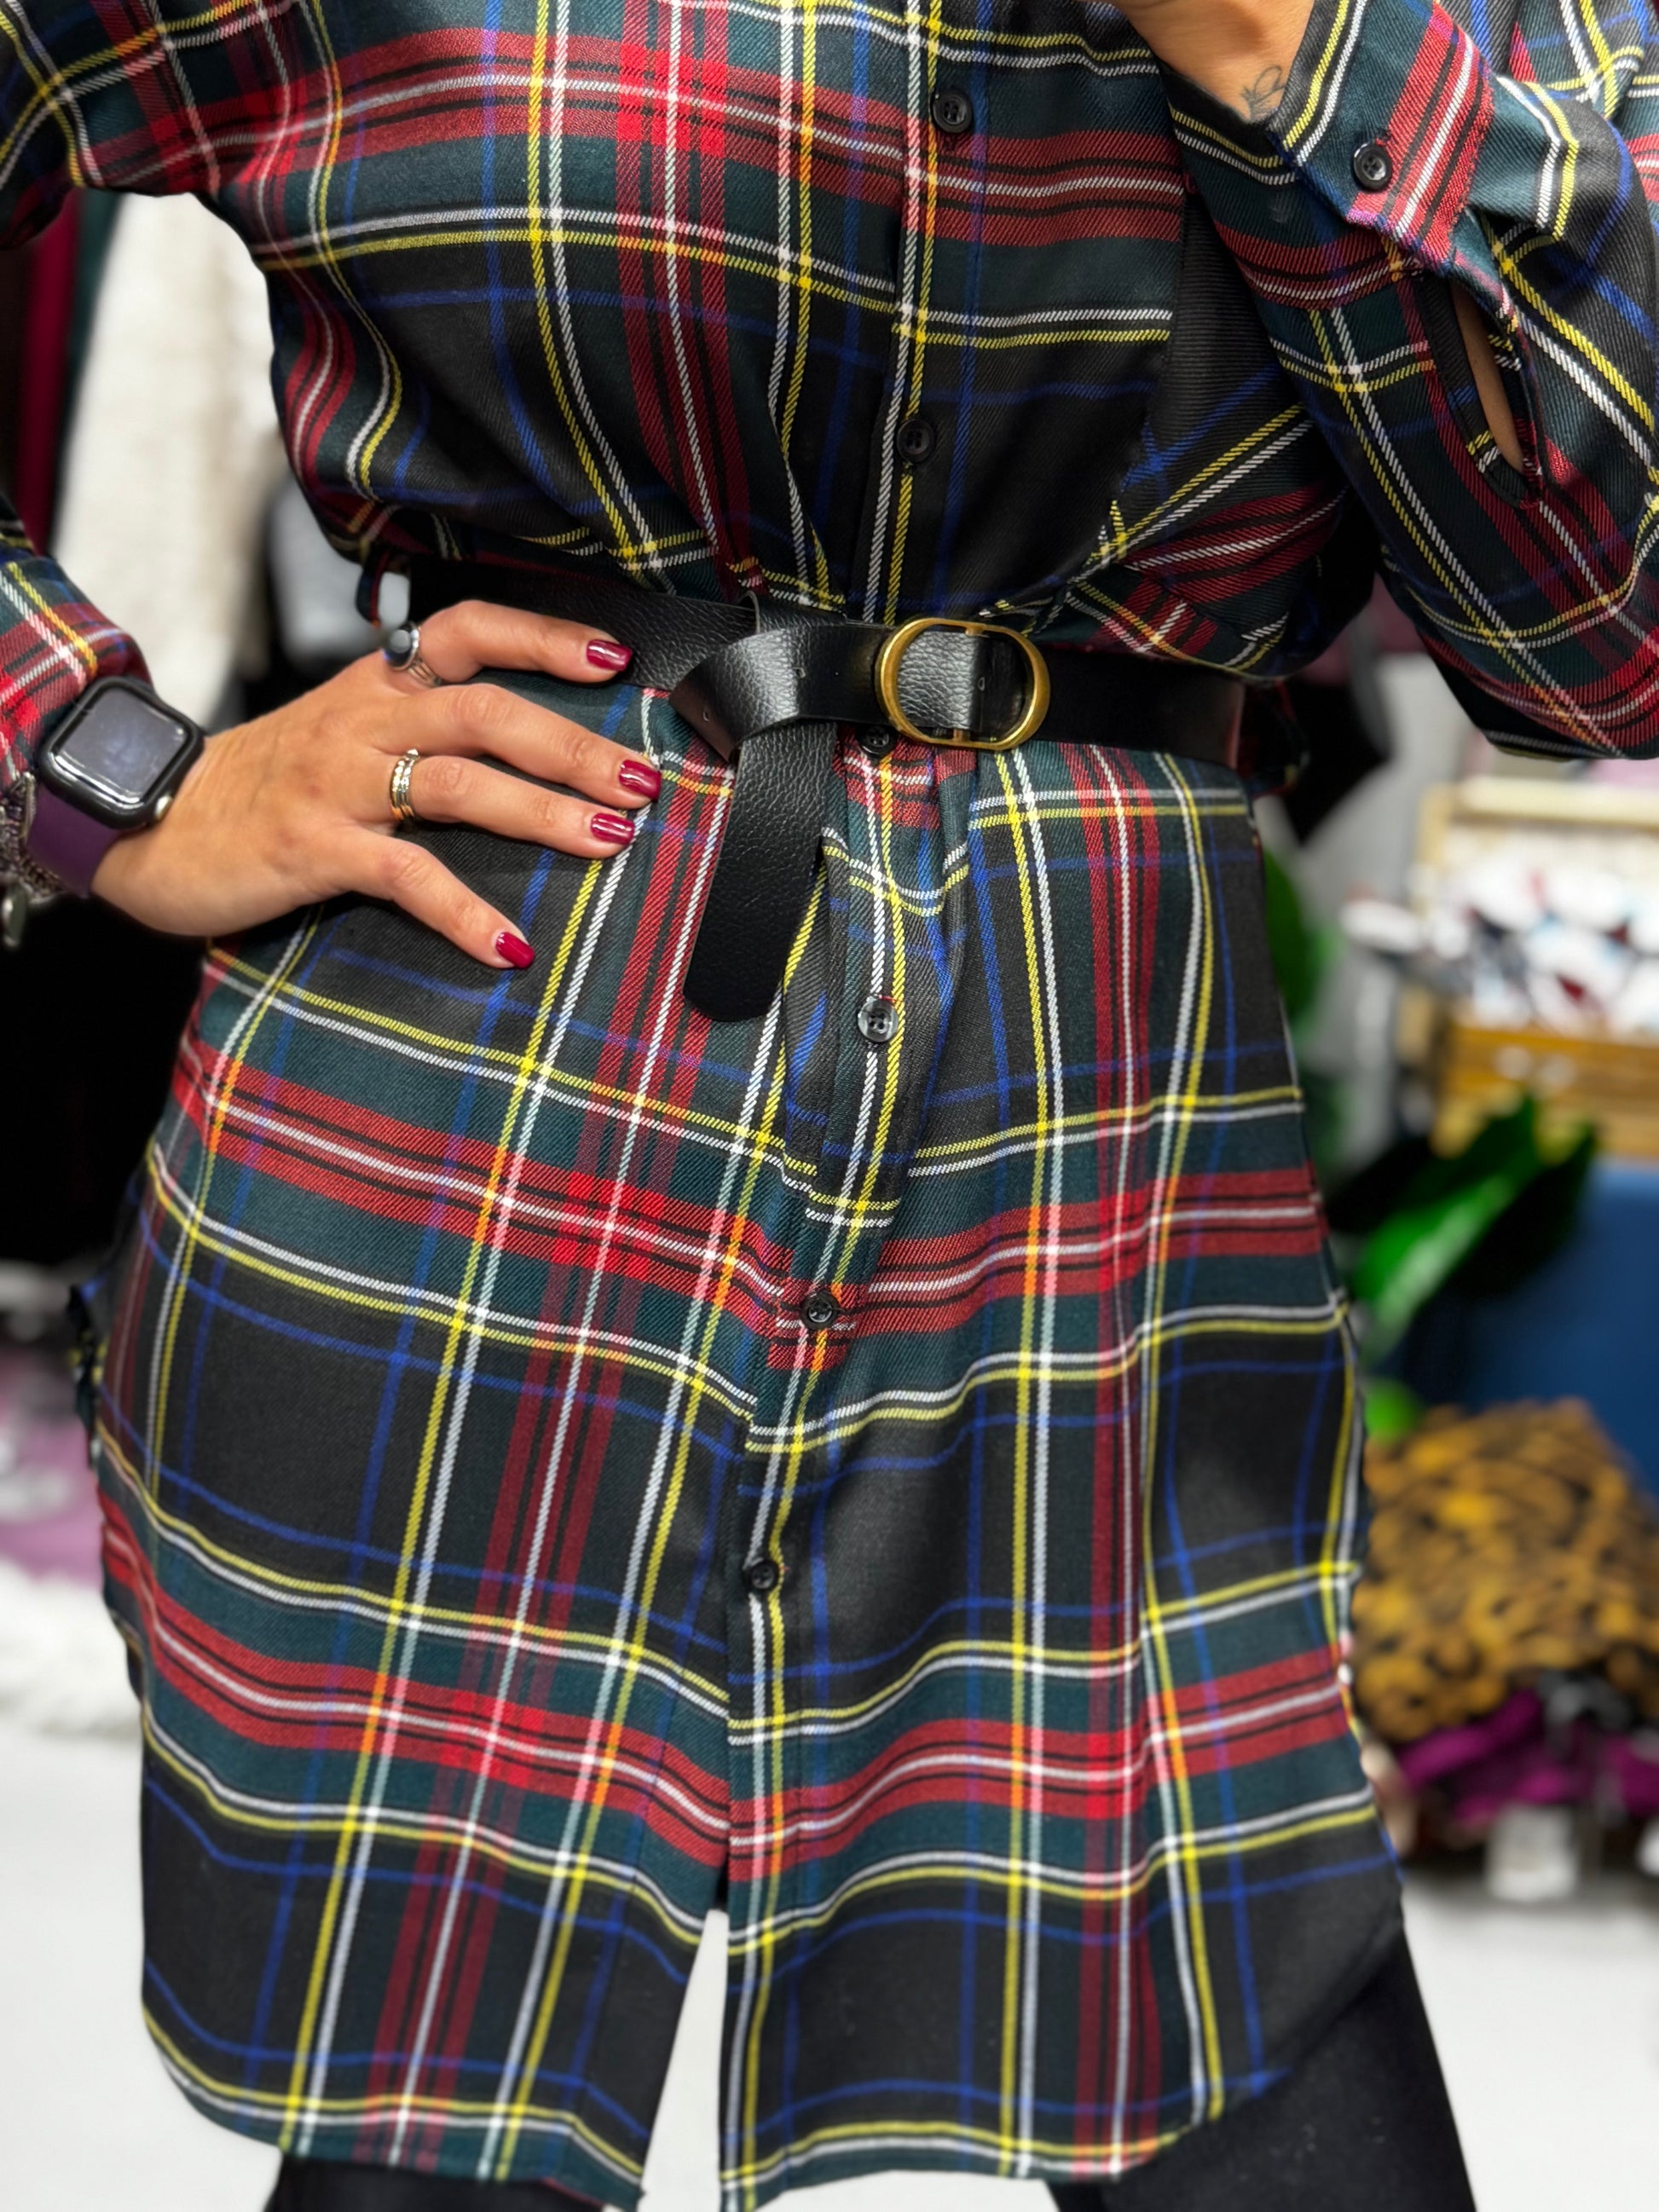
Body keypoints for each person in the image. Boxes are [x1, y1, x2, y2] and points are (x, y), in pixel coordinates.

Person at [2, 1, 1652, 2205]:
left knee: (1261, 2075)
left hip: (1103, 1189)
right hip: (492, 1125)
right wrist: (106, 765)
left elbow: (1602, 640)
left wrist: (1276, 49)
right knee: (435, 2148)